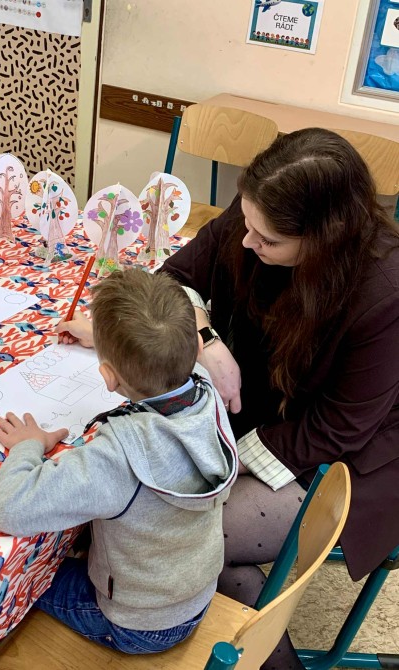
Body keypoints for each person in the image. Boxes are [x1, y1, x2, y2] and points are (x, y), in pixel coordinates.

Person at [160, 127, 399, 669]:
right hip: (275, 405)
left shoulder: (384, 294)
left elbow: (337, 429)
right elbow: (173, 278)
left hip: (355, 454)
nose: (247, 242)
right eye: (247, 224)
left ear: (324, 241)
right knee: (187, 535)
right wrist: (206, 340)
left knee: (182, 532)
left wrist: (223, 460)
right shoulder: (260, 212)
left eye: (267, 241)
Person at [0, 268, 238, 654]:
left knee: (8, 584)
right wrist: (107, 338)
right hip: (192, 589)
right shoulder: (205, 385)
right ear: (194, 351)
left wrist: (29, 446)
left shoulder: (116, 456)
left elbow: (11, 509)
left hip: (138, 623)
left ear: (108, 377)